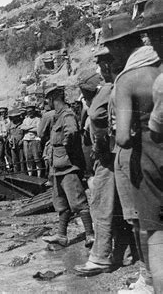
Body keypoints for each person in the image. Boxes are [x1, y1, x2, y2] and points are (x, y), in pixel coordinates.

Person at [103, 13, 156, 292]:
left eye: (111, 48)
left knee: (141, 221)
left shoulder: (128, 77)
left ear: (120, 44)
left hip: (141, 155)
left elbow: (122, 136)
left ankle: (148, 280)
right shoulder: (158, 64)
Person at [117, 0, 163, 292]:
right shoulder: (158, 72)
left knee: (155, 234)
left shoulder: (128, 80)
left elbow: (121, 136)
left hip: (149, 158)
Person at [74, 69, 135, 276]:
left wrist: (99, 152)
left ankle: (100, 257)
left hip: (106, 160)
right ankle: (123, 253)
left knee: (101, 207)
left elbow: (97, 116)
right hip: (113, 158)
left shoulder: (102, 98)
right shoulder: (108, 94)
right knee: (116, 208)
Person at [41, 86, 94, 248]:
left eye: (48, 100)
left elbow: (71, 132)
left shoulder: (67, 114)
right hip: (57, 167)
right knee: (61, 203)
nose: (47, 103)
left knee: (78, 202)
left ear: (52, 99)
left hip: (68, 166)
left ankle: (90, 235)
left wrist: (65, 147)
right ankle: (61, 235)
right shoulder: (57, 116)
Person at [20, 105, 43, 177]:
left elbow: (38, 129)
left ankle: (39, 175)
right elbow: (22, 127)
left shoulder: (38, 119)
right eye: (28, 111)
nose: (29, 113)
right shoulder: (25, 120)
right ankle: (30, 175)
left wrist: (27, 128)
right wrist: (32, 127)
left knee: (37, 158)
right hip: (26, 140)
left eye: (31, 111)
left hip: (34, 140)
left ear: (34, 111)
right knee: (28, 158)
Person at [8, 108, 26, 173]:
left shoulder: (23, 122)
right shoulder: (10, 124)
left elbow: (25, 133)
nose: (14, 119)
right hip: (12, 145)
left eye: (15, 117)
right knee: (14, 160)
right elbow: (8, 134)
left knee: (22, 160)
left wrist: (22, 140)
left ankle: (23, 174)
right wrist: (9, 139)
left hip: (20, 144)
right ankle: (16, 174)